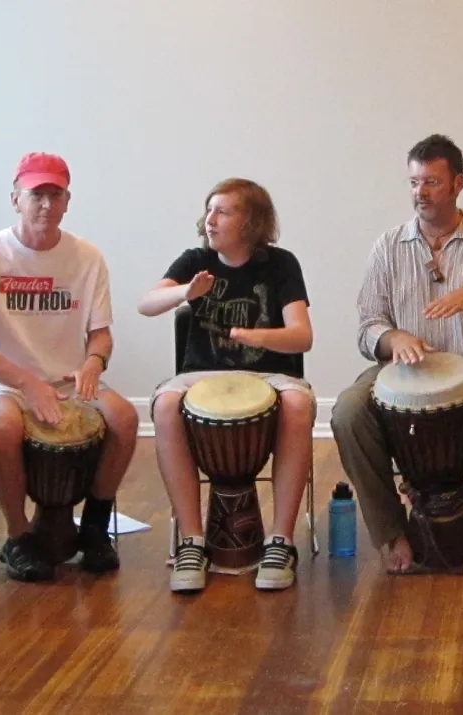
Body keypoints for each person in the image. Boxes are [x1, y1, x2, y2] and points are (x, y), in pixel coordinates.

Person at [330, 134, 463, 576]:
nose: (420, 193)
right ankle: (391, 532)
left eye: (431, 182)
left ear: (458, 183)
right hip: (404, 372)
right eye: (413, 182)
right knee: (347, 411)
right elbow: (367, 328)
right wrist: (394, 339)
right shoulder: (388, 246)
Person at [0, 152, 138, 582]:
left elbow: (101, 334)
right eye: (36, 194)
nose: (45, 204)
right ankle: (20, 537)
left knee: (125, 418)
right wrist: (27, 384)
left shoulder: (87, 257)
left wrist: (93, 362)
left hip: (68, 379)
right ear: (15, 198)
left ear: (67, 201)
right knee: (2, 425)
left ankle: (95, 528)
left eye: (55, 195)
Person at [138, 178, 314, 593]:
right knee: (165, 405)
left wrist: (256, 336)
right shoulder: (195, 260)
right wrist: (185, 292)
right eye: (209, 210)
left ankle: (281, 541)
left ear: (251, 222)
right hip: (203, 374)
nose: (210, 220)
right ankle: (191, 541)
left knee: (298, 404)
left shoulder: (281, 264)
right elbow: (146, 304)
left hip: (270, 375)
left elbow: (302, 336)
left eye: (223, 211)